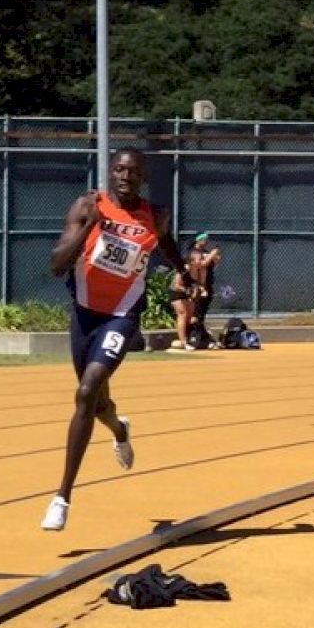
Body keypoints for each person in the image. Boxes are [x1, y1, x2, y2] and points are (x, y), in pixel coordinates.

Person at [42, 148, 192, 531]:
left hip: (121, 317)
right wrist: (91, 227)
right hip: (84, 314)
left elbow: (168, 243)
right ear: (111, 172)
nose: (126, 176)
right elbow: (58, 264)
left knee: (86, 391)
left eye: (134, 171)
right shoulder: (88, 205)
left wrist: (184, 274)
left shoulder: (154, 215)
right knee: (97, 405)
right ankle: (120, 430)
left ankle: (62, 497)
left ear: (142, 178)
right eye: (120, 169)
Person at [186, 234, 222, 348]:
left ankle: (202, 338)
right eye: (204, 239)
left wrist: (215, 259)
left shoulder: (204, 252)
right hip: (198, 286)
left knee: (201, 314)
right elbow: (201, 265)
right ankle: (194, 337)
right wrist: (211, 255)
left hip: (207, 285)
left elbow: (211, 264)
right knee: (196, 314)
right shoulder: (194, 252)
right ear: (198, 240)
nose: (206, 241)